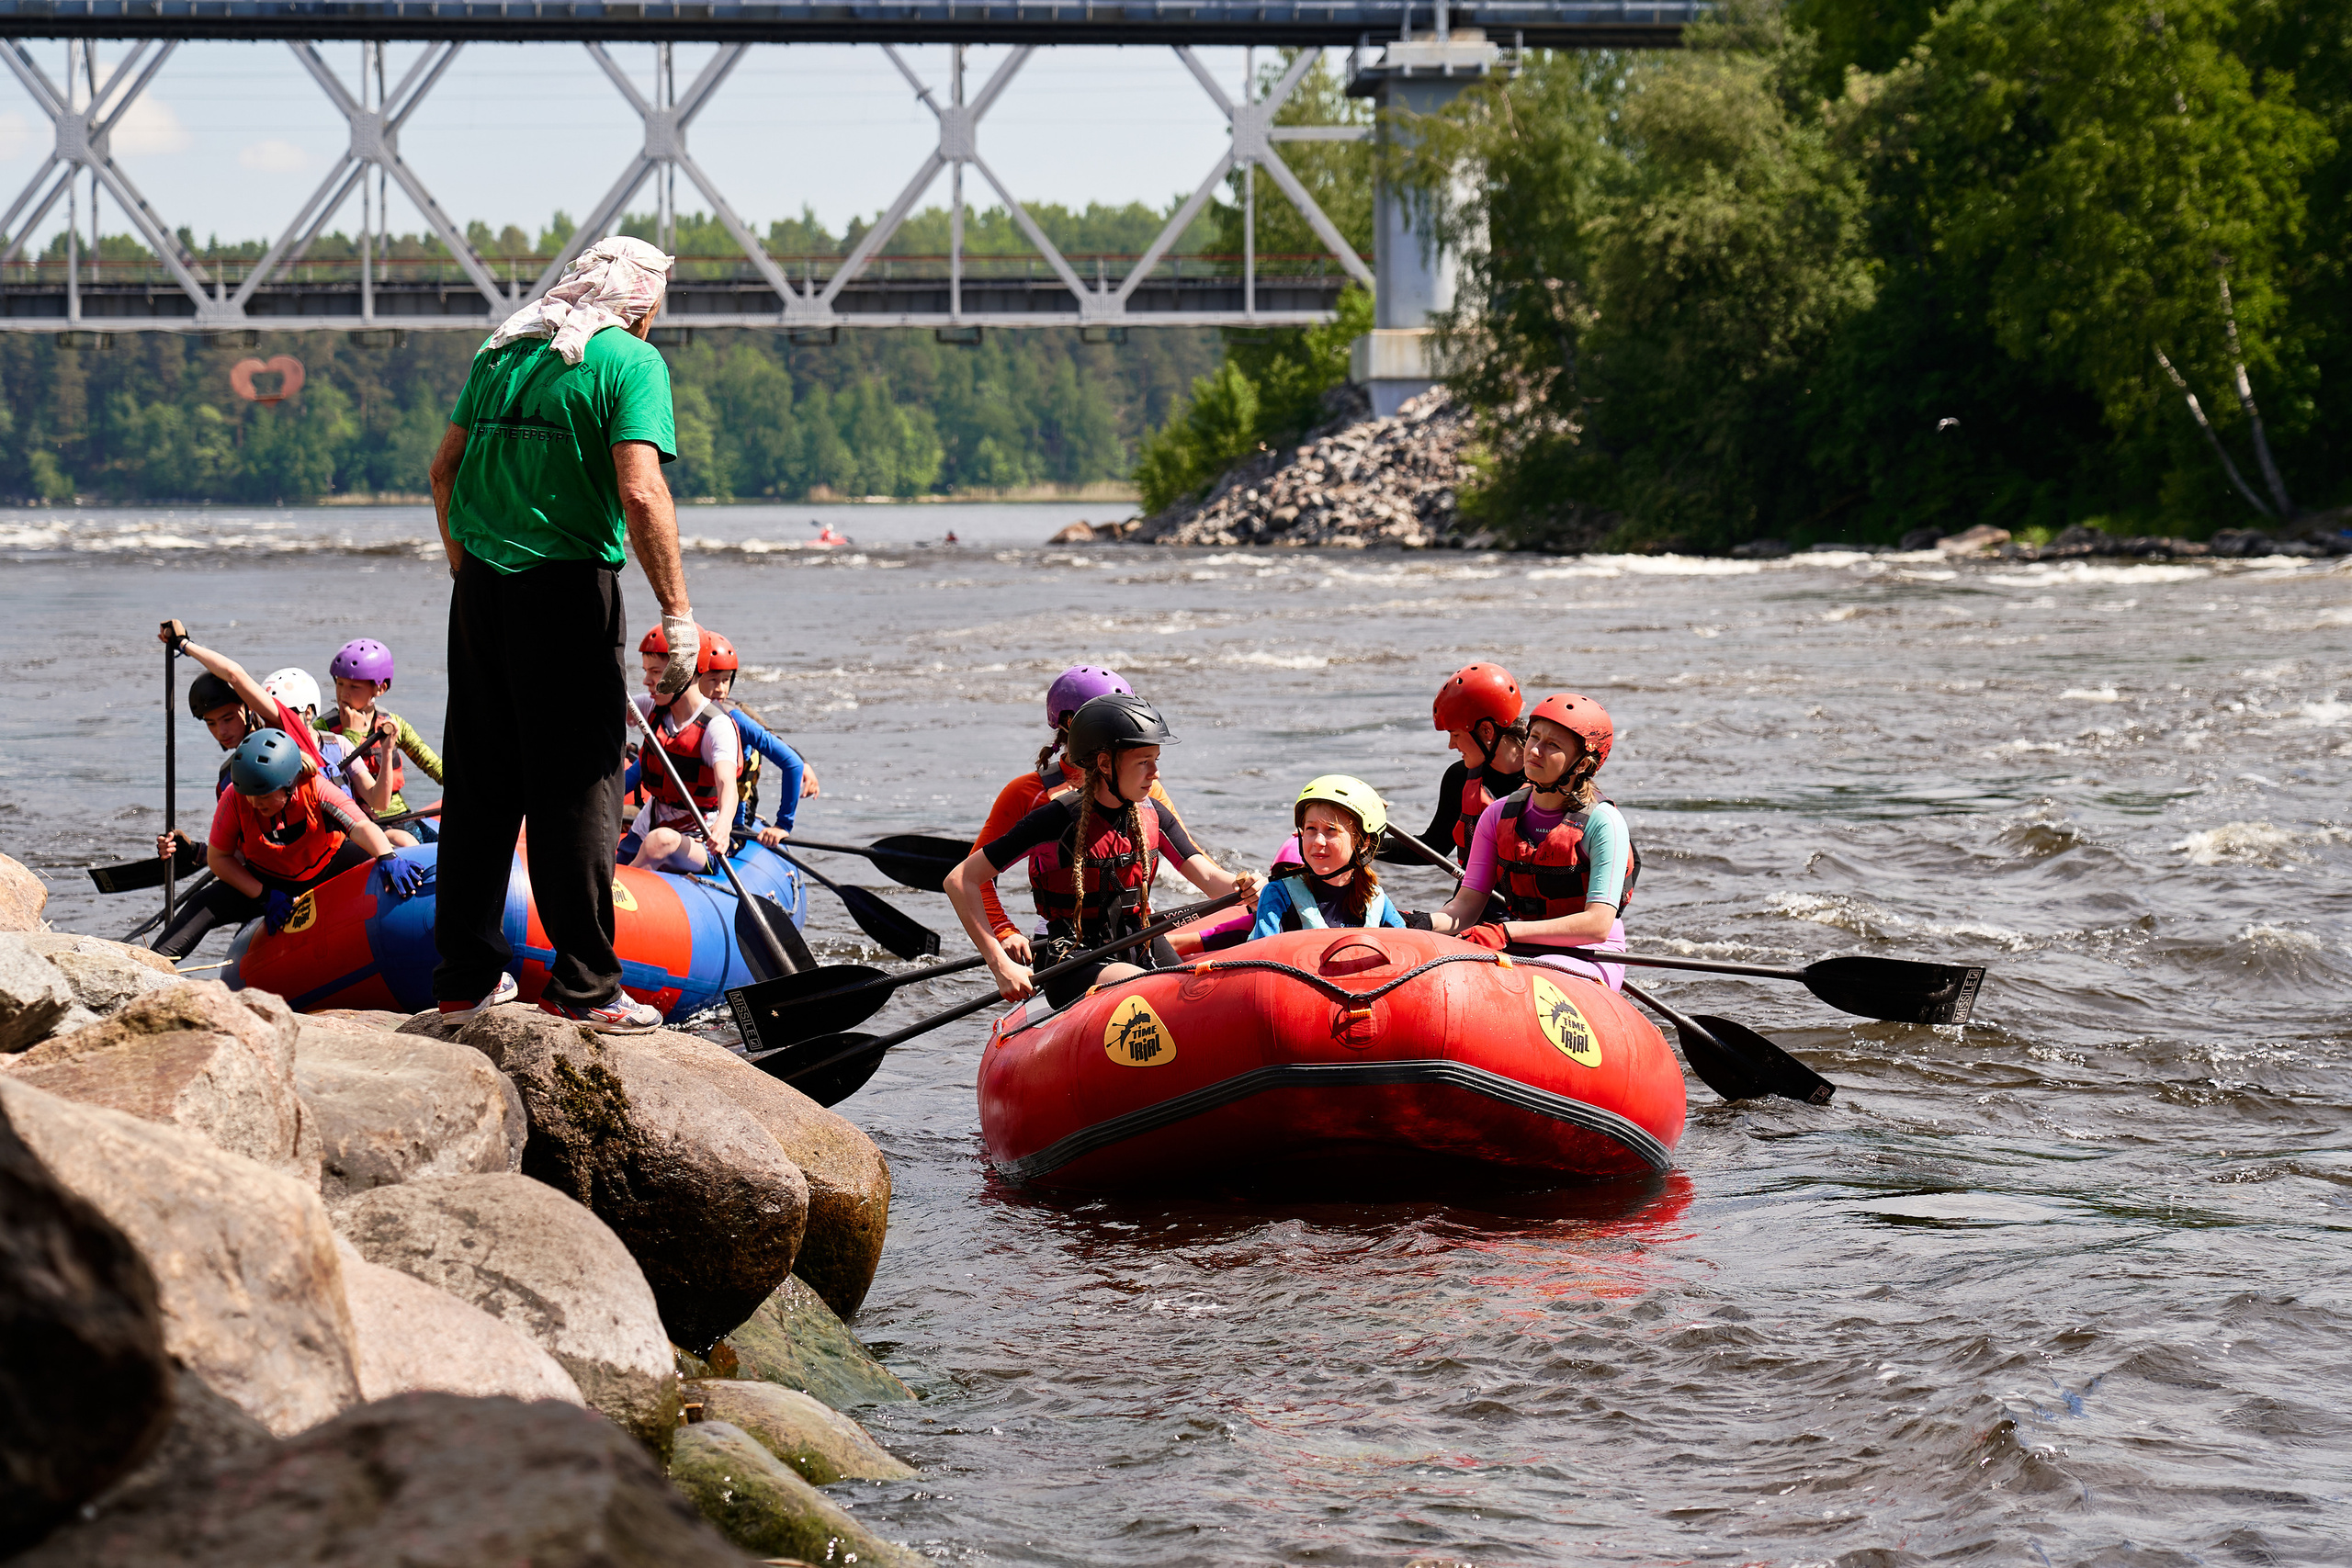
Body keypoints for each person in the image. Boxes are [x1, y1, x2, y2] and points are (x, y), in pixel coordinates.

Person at [427, 233, 695, 1032]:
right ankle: (587, 988)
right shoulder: (629, 362)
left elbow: (443, 470)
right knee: (580, 786)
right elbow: (641, 493)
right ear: (642, 303)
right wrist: (677, 612)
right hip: (569, 588)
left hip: (481, 585)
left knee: (479, 786)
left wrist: (463, 567)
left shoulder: (503, 351)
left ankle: (466, 979)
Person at [944, 694, 1257, 1010]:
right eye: (1143, 762)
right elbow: (960, 880)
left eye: (1156, 761)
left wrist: (1243, 887)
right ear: (1105, 763)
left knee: (1200, 994)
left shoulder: (1153, 813)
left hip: (1139, 942)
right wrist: (1000, 964)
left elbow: (1205, 874)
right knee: (1151, 990)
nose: (1155, 773)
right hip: (1073, 957)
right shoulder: (1053, 820)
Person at [967, 665, 1204, 963]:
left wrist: (1243, 886)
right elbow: (974, 876)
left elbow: (1191, 856)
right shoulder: (1028, 793)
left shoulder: (1143, 791)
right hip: (1066, 938)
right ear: (1070, 723)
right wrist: (1004, 931)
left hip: (1133, 930)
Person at [152, 728, 423, 961]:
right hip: (269, 883)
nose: (255, 803)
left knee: (384, 859)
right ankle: (151, 967)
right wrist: (264, 895)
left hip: (329, 869)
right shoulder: (234, 798)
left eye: (264, 795)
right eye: (250, 795)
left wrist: (387, 857)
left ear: (290, 785)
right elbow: (219, 858)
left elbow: (361, 826)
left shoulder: (316, 788)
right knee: (204, 901)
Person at [1429, 693, 1638, 989]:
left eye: (1552, 745)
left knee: (1530, 979)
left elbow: (1598, 924)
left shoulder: (1604, 823)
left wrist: (1507, 933)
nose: (1535, 751)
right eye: (1534, 737)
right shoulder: (1496, 815)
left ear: (1583, 763)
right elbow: (1465, 907)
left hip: (1589, 956)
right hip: (1520, 950)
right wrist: (1424, 925)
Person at [153, 623, 341, 863]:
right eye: (211, 723)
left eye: (228, 718)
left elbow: (234, 675)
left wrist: (184, 645)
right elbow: (239, 850)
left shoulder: (286, 732)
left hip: (328, 856)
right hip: (280, 872)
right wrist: (195, 852)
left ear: (249, 708)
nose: (221, 731)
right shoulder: (229, 779)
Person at [622, 625, 741, 873]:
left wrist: (724, 825)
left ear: (683, 672)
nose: (646, 681)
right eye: (646, 671)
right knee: (653, 838)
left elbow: (726, 784)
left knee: (660, 841)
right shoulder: (650, 708)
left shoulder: (716, 726)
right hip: (647, 825)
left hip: (698, 841)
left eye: (655, 672)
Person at [1250, 775, 1427, 937]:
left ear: (1364, 843)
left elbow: (1406, 949)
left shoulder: (1376, 899)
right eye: (1311, 829)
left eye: (1331, 830)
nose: (1318, 841)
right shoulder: (1278, 894)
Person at [1389, 662, 1527, 865]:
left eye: (1455, 734)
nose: (1451, 745)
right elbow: (1432, 848)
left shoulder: (1552, 779)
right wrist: (1364, 844)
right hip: (1472, 897)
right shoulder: (1460, 777)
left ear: (1487, 730)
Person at [691, 629, 819, 848]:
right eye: (713, 680)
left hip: (734, 822)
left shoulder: (736, 716)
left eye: (726, 680)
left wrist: (782, 826)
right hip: (686, 813)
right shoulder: (674, 715)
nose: (721, 689)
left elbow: (788, 759)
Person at [316, 638, 443, 835]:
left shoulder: (392, 724)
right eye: (340, 684)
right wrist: (351, 733)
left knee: (440, 845)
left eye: (354, 687)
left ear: (380, 689)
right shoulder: (323, 728)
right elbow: (335, 776)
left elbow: (431, 764)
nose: (343, 694)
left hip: (400, 815)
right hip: (357, 821)